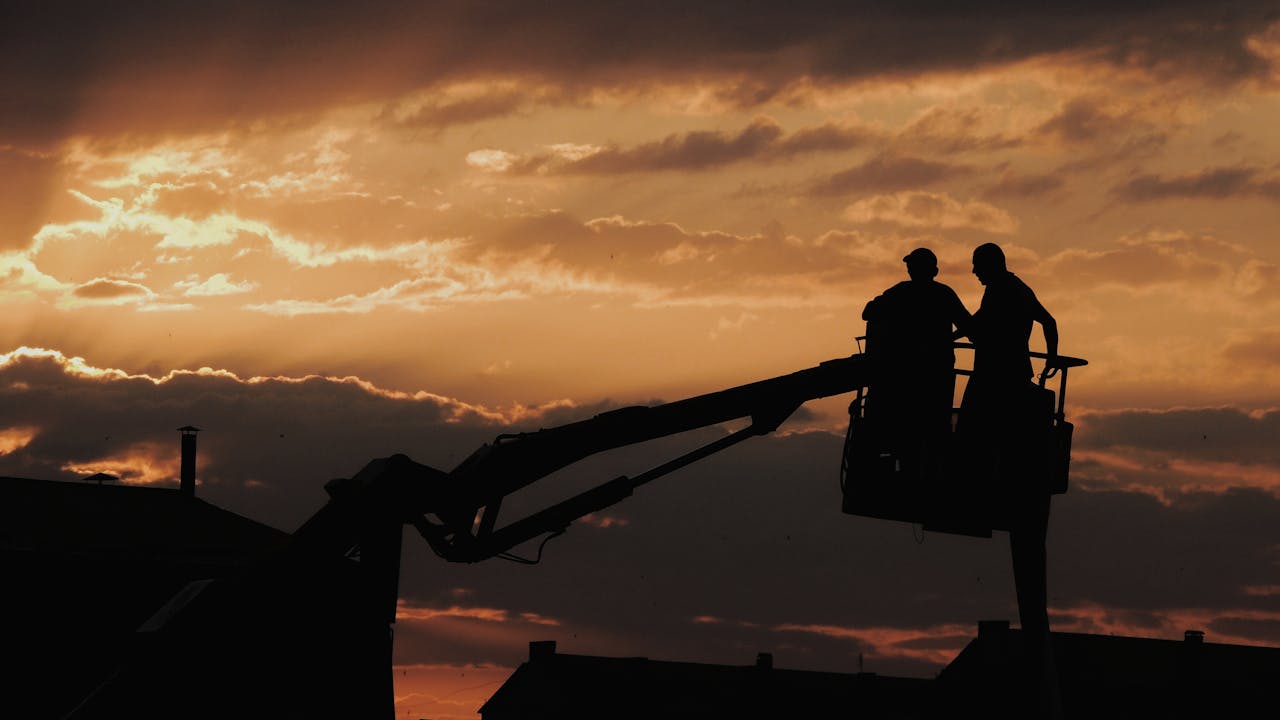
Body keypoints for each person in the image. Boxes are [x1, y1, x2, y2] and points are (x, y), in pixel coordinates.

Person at [958, 241, 1062, 719]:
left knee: (970, 434)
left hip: (996, 380)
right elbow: (1049, 322)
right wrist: (1050, 362)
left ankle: (966, 484)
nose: (976, 274)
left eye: (978, 267)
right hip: (1017, 379)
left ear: (990, 265)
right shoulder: (1018, 288)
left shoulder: (1001, 291)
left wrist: (954, 317)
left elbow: (982, 334)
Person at [861, 247, 971, 473]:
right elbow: (971, 328)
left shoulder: (900, 293)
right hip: (937, 375)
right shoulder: (944, 294)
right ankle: (927, 473)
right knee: (933, 430)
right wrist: (947, 338)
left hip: (907, 376)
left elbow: (868, 312)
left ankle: (912, 472)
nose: (910, 269)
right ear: (935, 271)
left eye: (912, 266)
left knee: (909, 431)